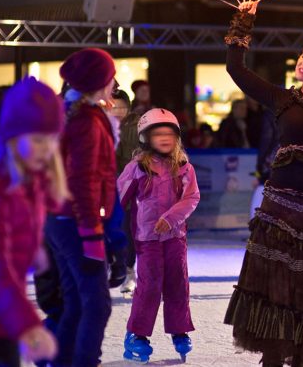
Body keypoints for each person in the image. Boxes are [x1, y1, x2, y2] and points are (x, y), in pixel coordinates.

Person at [222, 1, 303, 367]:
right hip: (278, 210)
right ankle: (273, 357)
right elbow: (235, 68)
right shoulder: (282, 98)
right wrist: (244, 21)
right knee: (274, 285)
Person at [0, 78, 63, 367]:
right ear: (13, 135)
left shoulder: (29, 178)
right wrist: (28, 326)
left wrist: (32, 249)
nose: (46, 148)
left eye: (51, 139)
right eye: (37, 139)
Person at [46, 47, 117, 367]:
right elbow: (83, 180)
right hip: (75, 222)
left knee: (76, 302)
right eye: (110, 77)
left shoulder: (75, 112)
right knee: (96, 304)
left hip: (59, 219)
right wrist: (91, 233)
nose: (115, 83)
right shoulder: (84, 120)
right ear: (99, 82)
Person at [117, 108, 200, 363]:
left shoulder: (184, 167)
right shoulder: (137, 167)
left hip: (175, 237)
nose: (164, 138)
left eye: (169, 134)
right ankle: (137, 334)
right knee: (150, 285)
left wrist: (170, 218)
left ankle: (179, 329)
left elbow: (192, 197)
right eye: (158, 134)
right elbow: (118, 198)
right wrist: (106, 226)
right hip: (146, 238)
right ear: (145, 138)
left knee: (177, 283)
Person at [113, 89, 142, 295]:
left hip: (133, 186)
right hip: (109, 184)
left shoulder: (139, 125)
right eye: (114, 106)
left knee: (129, 231)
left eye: (122, 107)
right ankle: (114, 269)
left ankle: (129, 272)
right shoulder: (103, 125)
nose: (118, 111)